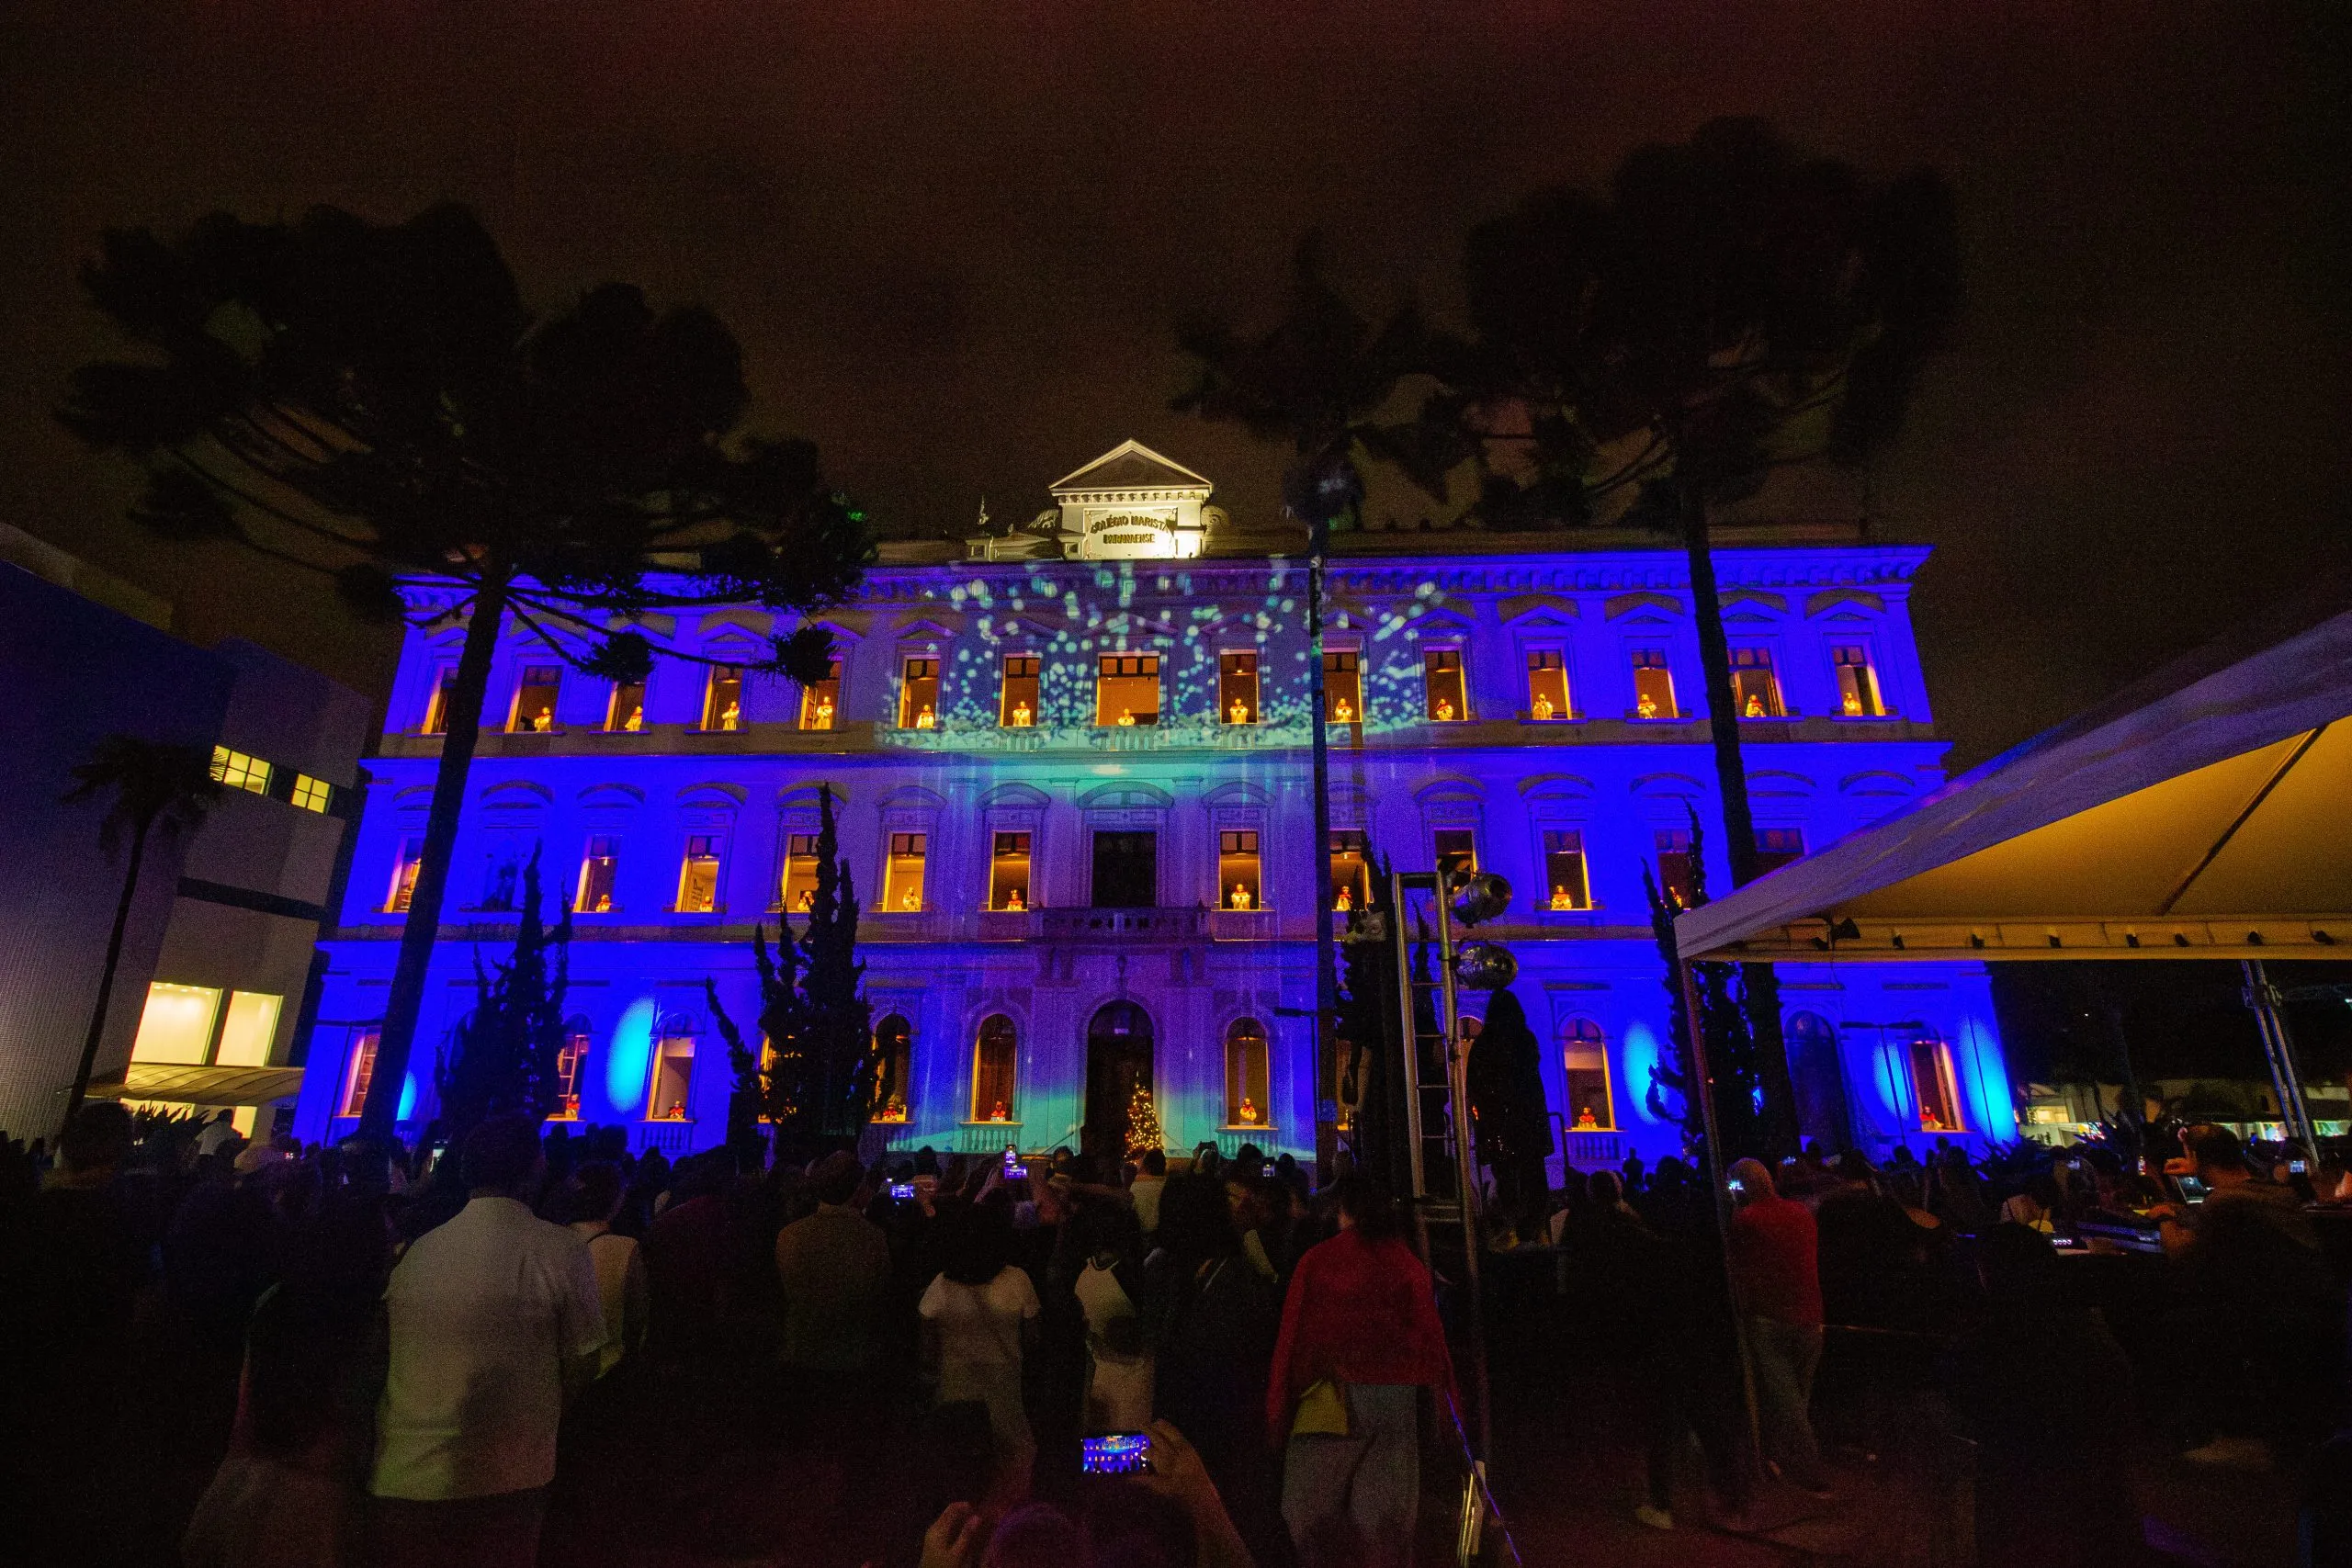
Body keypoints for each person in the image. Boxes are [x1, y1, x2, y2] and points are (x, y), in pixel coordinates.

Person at [368, 1115, 605, 1568]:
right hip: (507, 1472)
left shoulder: (420, 1251)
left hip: (402, 1471)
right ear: (537, 1169)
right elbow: (583, 1361)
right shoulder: (561, 1250)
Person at [1268, 1174, 1455, 1568]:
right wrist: (1447, 1411)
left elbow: (1294, 1339)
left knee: (1308, 1517)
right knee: (1384, 1527)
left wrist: (1279, 1414)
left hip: (1332, 1400)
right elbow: (1431, 1339)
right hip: (1398, 1401)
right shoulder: (1406, 1262)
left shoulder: (1320, 1260)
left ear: (1345, 1210)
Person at [2153, 1122, 2343, 1468]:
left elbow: (2180, 1253)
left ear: (2196, 1158)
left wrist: (2164, 1216)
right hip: (2319, 1305)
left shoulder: (2224, 1200)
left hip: (2272, 1313)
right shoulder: (2273, 1192)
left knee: (2178, 1325)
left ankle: (2235, 1434)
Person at [921, 1195, 1043, 1493]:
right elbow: (1034, 1340)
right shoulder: (1018, 1280)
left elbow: (926, 1352)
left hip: (954, 1394)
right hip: (1004, 1394)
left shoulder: (940, 1285)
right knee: (1012, 1475)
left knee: (959, 1478)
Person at [1726, 1156, 1831, 1496]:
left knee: (1787, 1400)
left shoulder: (1745, 1219)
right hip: (1811, 1315)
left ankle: (1811, 1472)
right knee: (1798, 1397)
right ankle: (1777, 1456)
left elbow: (1738, 1267)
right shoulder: (1801, 1213)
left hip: (1769, 1318)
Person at [775, 1149, 893, 1408]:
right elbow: (879, 1292)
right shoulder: (873, 1238)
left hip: (801, 1350)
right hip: (854, 1355)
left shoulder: (790, 1235)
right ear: (857, 1190)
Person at [557, 1161, 648, 1375]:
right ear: (616, 1200)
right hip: (607, 1374)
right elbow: (638, 1321)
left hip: (556, 1375)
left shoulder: (548, 1240)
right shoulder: (626, 1249)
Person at [1130, 1146, 1168, 1236]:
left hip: (1141, 1235)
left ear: (1146, 1166)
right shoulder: (1170, 1186)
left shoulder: (1134, 1187)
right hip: (1165, 1235)